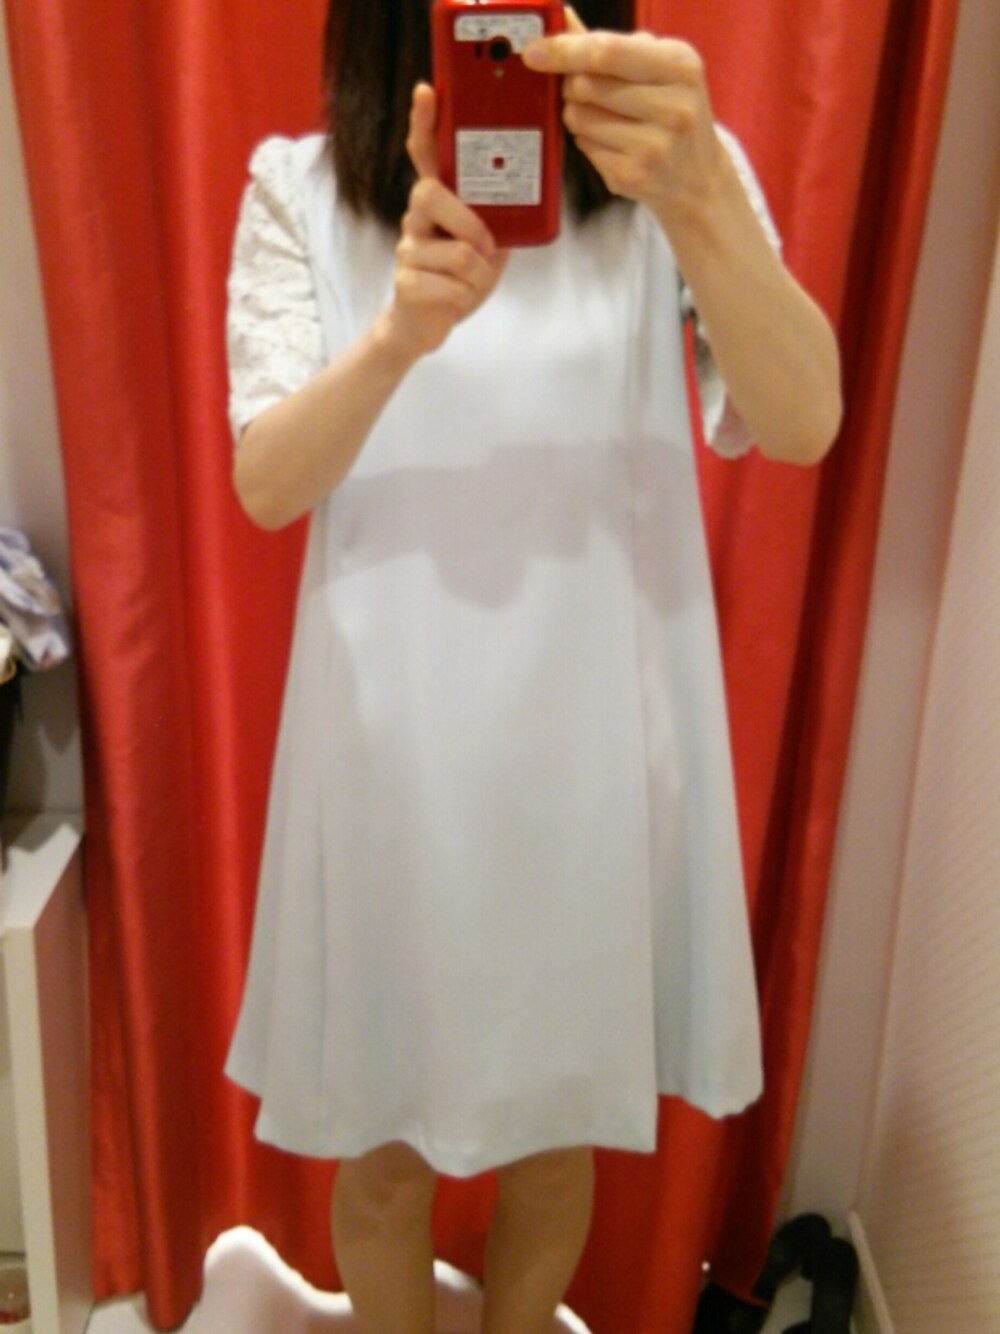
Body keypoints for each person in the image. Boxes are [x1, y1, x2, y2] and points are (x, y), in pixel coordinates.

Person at [223, 2, 842, 1331]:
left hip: (592, 755)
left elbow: (803, 417)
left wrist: (700, 195)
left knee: (557, 1139)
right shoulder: (301, 188)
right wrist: (398, 335)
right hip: (389, 749)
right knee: (383, 1152)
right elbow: (266, 482)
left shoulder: (665, 185)